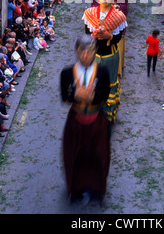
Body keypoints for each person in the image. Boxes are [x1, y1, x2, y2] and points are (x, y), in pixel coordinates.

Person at [60, 35, 110, 205]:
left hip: (97, 119)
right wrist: (75, 95)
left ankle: (97, 188)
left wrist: (91, 97)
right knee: (75, 154)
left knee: (99, 155)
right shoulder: (67, 73)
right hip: (76, 119)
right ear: (76, 51)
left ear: (95, 52)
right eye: (82, 51)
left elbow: (105, 95)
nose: (86, 56)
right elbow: (64, 96)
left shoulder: (102, 72)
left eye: (90, 51)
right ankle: (76, 188)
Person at [82, 0, 127, 123]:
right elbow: (86, 33)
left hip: (110, 56)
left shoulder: (118, 17)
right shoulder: (90, 14)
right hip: (94, 56)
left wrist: (110, 36)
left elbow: (119, 37)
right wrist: (92, 36)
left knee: (109, 83)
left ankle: (108, 115)